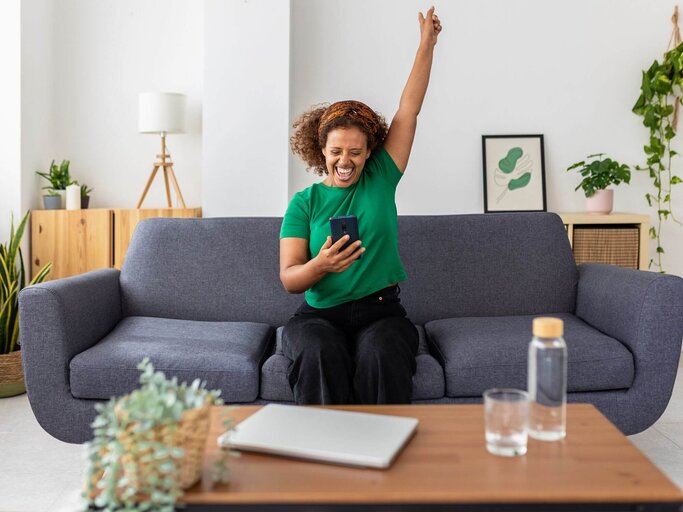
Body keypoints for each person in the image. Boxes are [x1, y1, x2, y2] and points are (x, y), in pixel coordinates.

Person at [279, 7, 442, 405]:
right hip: (318, 316)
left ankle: (381, 455)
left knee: (381, 352)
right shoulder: (304, 203)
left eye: (355, 151)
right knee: (319, 351)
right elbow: (289, 279)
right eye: (336, 151)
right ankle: (327, 458)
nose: (345, 160)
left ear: (371, 151)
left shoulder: (382, 176)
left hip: (381, 312)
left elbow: (409, 109)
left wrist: (427, 44)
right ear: (322, 150)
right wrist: (322, 265)